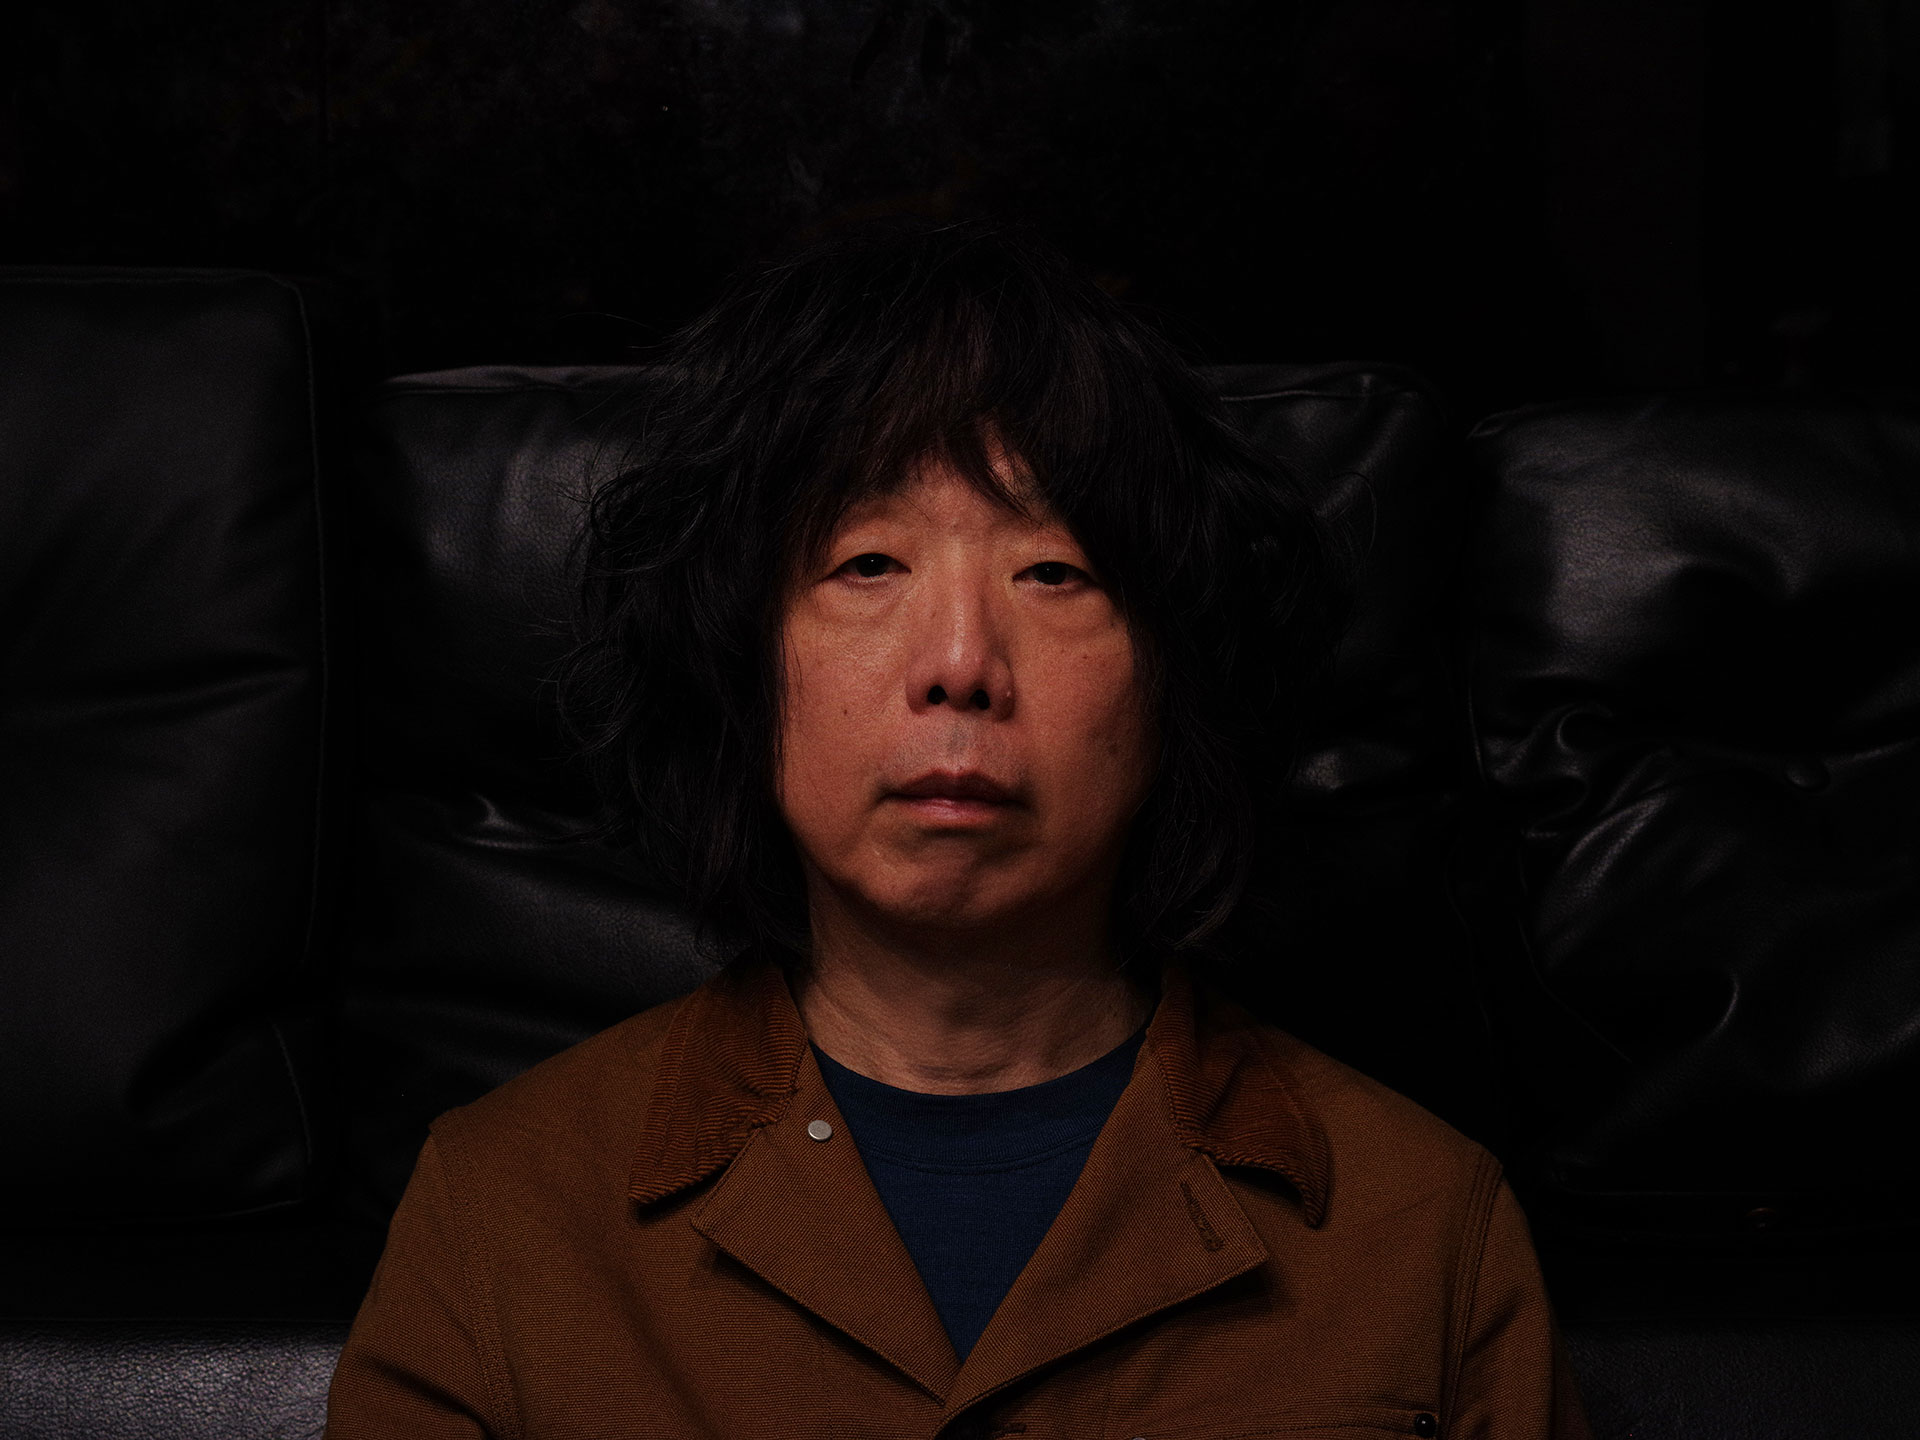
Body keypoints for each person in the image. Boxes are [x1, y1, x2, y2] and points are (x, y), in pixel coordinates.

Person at [324, 219, 1590, 1438]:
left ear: (1170, 685)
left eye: (1055, 572)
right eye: (867, 563)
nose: (961, 663)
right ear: (744, 667)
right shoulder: (503, 1211)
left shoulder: (1425, 1227)